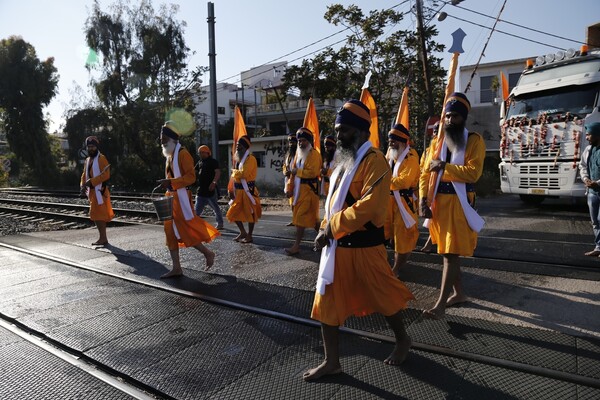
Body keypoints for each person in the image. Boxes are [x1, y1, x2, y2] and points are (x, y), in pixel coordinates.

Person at [305, 100, 414, 381]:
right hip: (337, 249)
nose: (338, 136)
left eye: (345, 131)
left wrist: (330, 228)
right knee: (325, 302)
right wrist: (325, 226)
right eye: (337, 130)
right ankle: (332, 362)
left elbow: (371, 207)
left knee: (385, 299)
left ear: (362, 132)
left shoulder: (375, 161)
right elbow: (332, 203)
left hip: (366, 249)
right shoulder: (343, 164)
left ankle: (402, 340)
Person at [419, 92, 486, 319]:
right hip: (438, 206)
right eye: (447, 116)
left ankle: (439, 306)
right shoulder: (436, 144)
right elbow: (424, 174)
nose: (449, 120)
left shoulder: (474, 141)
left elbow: (473, 173)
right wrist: (422, 201)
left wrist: (444, 167)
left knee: (450, 254)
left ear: (463, 118)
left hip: (459, 205)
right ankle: (459, 293)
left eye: (455, 116)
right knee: (449, 252)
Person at [157, 123, 220, 278]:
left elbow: (191, 178)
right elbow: (173, 178)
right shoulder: (170, 155)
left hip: (181, 198)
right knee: (169, 231)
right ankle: (176, 267)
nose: (161, 142)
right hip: (170, 197)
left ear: (172, 138)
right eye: (161, 138)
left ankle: (207, 253)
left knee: (186, 230)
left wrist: (170, 182)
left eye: (164, 138)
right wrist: (167, 183)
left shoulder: (183, 154)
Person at [386, 124, 420, 275]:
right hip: (389, 201)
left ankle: (396, 269)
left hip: (404, 203)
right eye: (390, 140)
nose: (391, 143)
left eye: (395, 140)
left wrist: (384, 181)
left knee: (403, 238)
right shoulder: (389, 155)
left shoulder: (411, 156)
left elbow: (404, 182)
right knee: (389, 235)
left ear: (403, 141)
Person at [285, 127, 322, 256]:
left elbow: (313, 172)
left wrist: (297, 172)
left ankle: (296, 246)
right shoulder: (298, 154)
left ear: (309, 141)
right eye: (299, 141)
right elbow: (292, 174)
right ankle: (328, 240)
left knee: (300, 219)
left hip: (309, 192)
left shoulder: (315, 155)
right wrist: (289, 188)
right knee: (315, 221)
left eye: (303, 141)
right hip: (298, 193)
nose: (300, 143)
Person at [226, 135, 262, 243]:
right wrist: (230, 190)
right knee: (233, 213)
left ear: (245, 147)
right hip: (238, 192)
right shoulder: (238, 160)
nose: (237, 147)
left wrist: (234, 172)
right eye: (237, 145)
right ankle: (242, 232)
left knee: (251, 213)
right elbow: (235, 177)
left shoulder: (251, 159)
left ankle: (250, 235)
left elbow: (244, 174)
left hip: (248, 191)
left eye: (240, 146)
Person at [80, 136, 114, 246]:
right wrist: (82, 185)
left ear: (97, 147)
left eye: (93, 146)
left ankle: (103, 238)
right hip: (92, 192)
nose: (91, 149)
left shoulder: (101, 158)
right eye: (89, 147)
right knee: (95, 215)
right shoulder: (87, 160)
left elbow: (106, 174)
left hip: (100, 191)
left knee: (99, 216)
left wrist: (92, 181)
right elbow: (84, 174)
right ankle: (102, 238)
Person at [579, 122, 600, 256]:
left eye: (589, 135)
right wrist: (585, 179)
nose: (586, 138)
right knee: (595, 222)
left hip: (597, 188)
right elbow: (582, 166)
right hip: (592, 193)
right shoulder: (588, 150)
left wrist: (598, 183)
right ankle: (598, 247)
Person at [419, 122, 439, 254]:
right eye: (435, 131)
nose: (436, 134)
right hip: (431, 188)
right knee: (433, 218)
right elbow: (423, 169)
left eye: (438, 130)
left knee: (436, 219)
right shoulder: (428, 151)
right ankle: (431, 243)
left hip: (442, 188)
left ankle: (430, 244)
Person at [194, 145, 224, 230]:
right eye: (199, 153)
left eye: (201, 152)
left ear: (207, 153)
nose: (200, 154)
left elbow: (217, 172)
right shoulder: (200, 162)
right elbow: (193, 171)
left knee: (215, 208)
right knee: (196, 211)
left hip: (210, 190)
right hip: (200, 191)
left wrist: (214, 182)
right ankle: (194, 225)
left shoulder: (213, 162)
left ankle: (220, 223)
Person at [282, 132, 298, 226]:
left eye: (293, 142)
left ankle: (299, 220)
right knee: (291, 201)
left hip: (297, 181)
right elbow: (285, 166)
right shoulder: (288, 155)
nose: (291, 144)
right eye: (290, 142)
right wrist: (285, 172)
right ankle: (294, 219)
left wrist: (292, 173)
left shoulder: (299, 154)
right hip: (288, 181)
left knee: (296, 201)